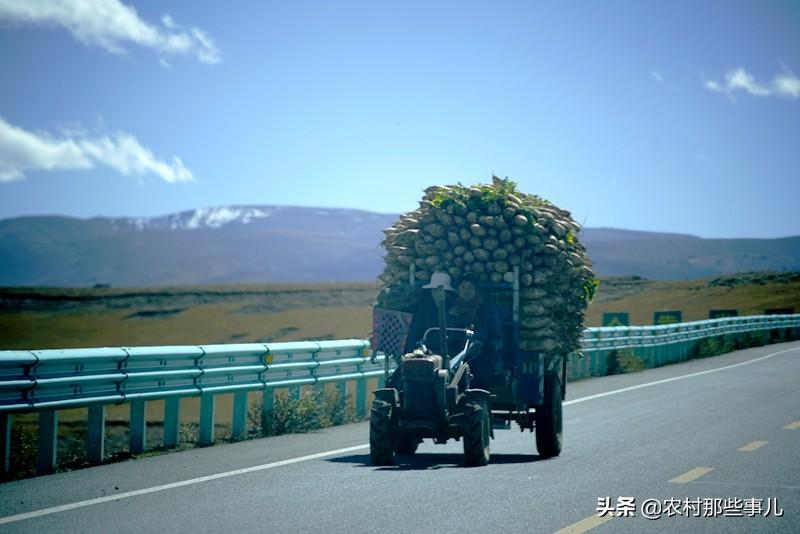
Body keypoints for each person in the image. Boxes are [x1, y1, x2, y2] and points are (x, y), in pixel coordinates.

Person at [447, 275, 505, 389]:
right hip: (455, 357)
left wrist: (487, 346)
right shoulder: (451, 310)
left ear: (476, 290)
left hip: (484, 356)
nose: (466, 290)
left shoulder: (487, 310)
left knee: (480, 376)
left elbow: (498, 338)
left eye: (470, 287)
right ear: (458, 290)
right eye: (463, 287)